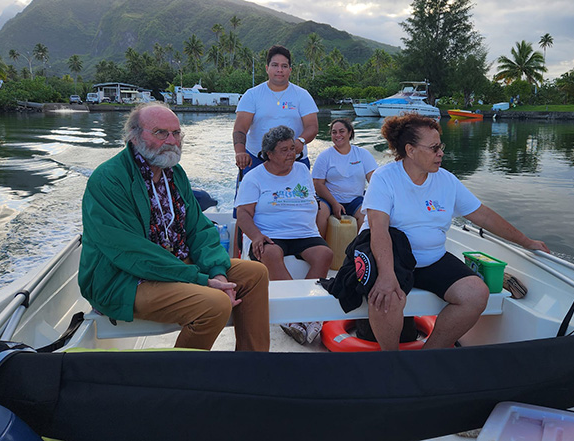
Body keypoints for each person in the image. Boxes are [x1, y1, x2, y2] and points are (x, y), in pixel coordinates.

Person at [78, 102, 269, 351]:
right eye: (160, 133)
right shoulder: (109, 180)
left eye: (176, 133)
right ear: (134, 137)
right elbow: (130, 252)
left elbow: (199, 229)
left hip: (175, 265)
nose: (171, 140)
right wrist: (200, 280)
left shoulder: (174, 173)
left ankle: (252, 367)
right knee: (214, 305)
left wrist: (217, 272)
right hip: (125, 278)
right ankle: (181, 382)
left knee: (255, 274)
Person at [362, 113, 549, 351]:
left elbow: (483, 215)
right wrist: (386, 276)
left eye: (441, 146)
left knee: (475, 294)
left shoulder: (446, 181)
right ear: (410, 150)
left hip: (432, 259)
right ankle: (392, 361)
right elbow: (378, 231)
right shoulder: (384, 179)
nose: (441, 153)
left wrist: (526, 241)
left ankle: (429, 356)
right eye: (434, 148)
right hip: (392, 258)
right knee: (385, 299)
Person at [235, 125, 333, 345]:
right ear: (268, 154)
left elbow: (310, 201)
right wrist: (257, 236)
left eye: (292, 148)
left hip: (303, 232)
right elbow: (242, 215)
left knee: (324, 254)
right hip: (270, 233)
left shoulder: (301, 170)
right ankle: (296, 313)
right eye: (284, 150)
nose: (292, 154)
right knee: (270, 253)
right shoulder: (254, 177)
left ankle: (304, 310)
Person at [232, 45, 318, 176]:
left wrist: (301, 141)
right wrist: (240, 152)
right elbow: (240, 129)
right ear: (267, 68)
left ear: (290, 70)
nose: (279, 70)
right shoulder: (251, 95)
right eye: (275, 65)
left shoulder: (302, 95)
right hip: (256, 159)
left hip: (294, 159)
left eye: (284, 66)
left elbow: (312, 126)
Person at [312, 118, 377, 236]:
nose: (338, 135)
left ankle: (360, 250)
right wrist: (334, 203)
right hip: (329, 199)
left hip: (355, 200)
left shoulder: (362, 154)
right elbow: (317, 184)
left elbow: (374, 180)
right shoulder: (325, 156)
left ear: (350, 133)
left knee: (367, 216)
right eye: (334, 132)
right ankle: (319, 245)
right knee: (321, 212)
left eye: (341, 131)